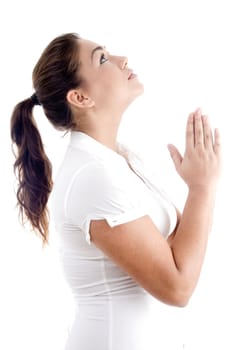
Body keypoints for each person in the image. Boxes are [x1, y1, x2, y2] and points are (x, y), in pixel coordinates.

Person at [10, 33, 221, 350]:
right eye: (103, 58)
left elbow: (179, 246)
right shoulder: (93, 176)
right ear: (80, 98)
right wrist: (202, 187)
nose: (123, 59)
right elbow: (178, 287)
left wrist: (199, 185)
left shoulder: (118, 158)